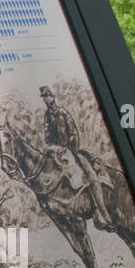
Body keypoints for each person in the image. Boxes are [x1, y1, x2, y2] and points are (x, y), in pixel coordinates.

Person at [41, 86, 114, 231]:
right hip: (57, 154)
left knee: (91, 177)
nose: (46, 99)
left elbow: (74, 133)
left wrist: (70, 150)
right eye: (44, 97)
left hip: (71, 151)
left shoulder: (63, 114)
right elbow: (48, 137)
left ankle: (101, 215)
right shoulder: (47, 116)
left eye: (47, 96)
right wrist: (54, 150)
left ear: (52, 97)